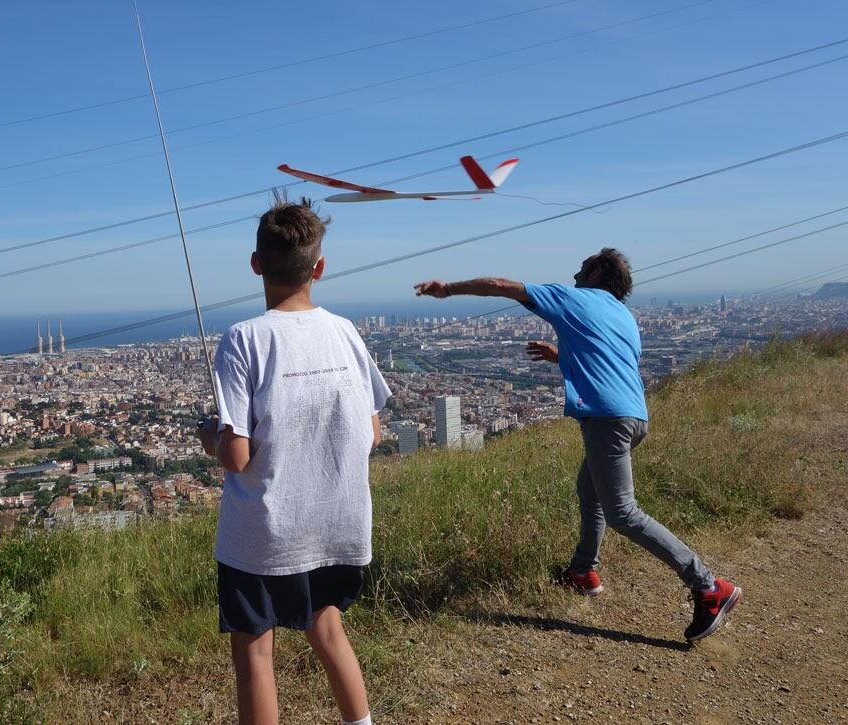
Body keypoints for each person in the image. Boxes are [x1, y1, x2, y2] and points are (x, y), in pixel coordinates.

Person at [413, 249, 741, 642]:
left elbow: (502, 286)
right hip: (635, 417)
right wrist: (560, 357)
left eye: (583, 267)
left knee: (624, 514)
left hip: (606, 420)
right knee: (590, 490)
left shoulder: (573, 298)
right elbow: (607, 361)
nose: (575, 274)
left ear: (599, 271)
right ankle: (583, 571)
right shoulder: (624, 316)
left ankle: (708, 586)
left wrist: (448, 289)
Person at [197, 198, 390, 724]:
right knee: (327, 629)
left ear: (255, 263)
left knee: (255, 655)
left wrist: (208, 436)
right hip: (336, 525)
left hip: (263, 533)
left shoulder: (244, 339)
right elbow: (372, 432)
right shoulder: (345, 331)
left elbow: (236, 457)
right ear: (319, 268)